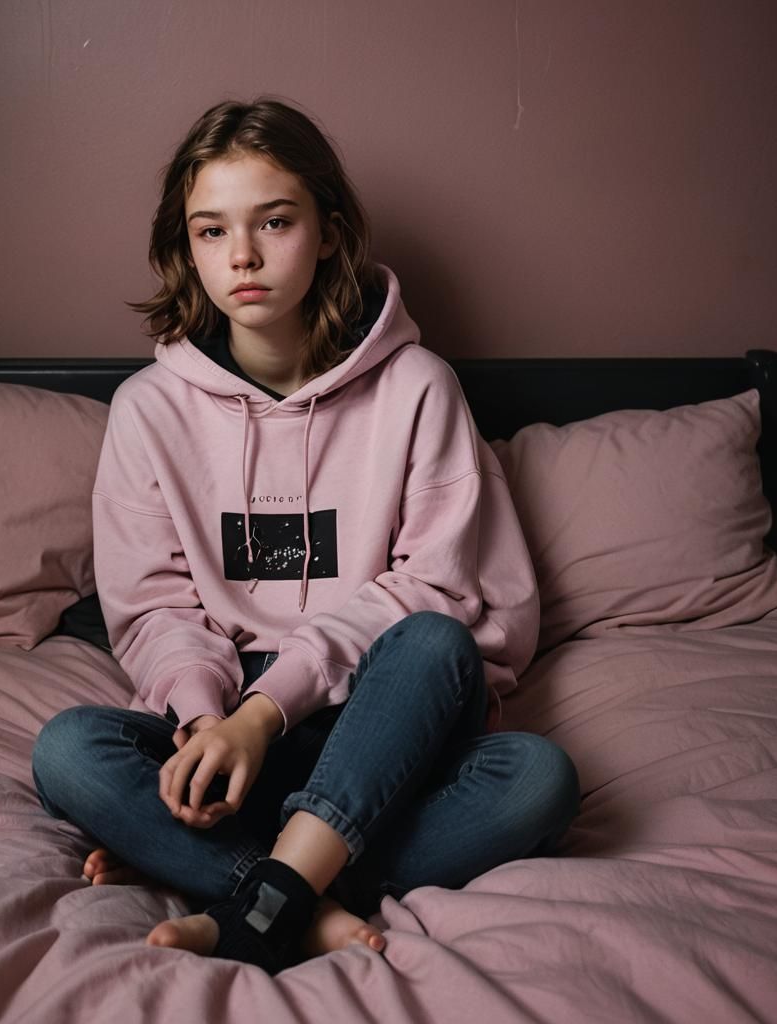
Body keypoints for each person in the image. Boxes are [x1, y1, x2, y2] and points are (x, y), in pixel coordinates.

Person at [31, 97, 579, 974]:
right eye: (211, 232)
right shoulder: (148, 410)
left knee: (529, 769)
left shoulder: (418, 389)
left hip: (384, 711)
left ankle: (236, 891)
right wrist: (214, 725)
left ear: (328, 231)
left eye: (273, 222)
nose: (240, 256)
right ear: (187, 247)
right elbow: (156, 608)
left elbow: (437, 593)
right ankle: (297, 892)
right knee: (69, 753)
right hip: (232, 722)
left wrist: (266, 713)